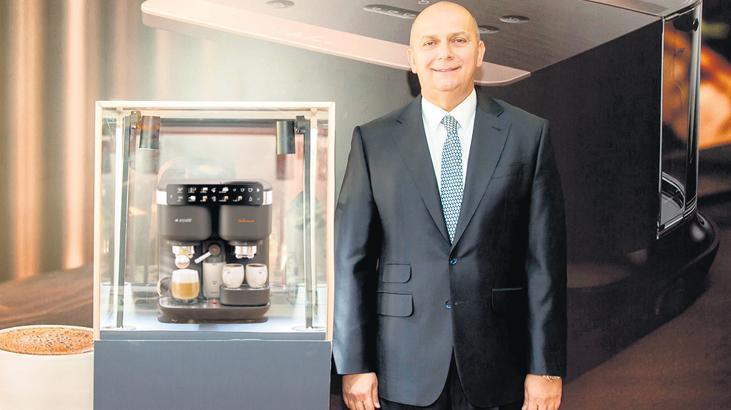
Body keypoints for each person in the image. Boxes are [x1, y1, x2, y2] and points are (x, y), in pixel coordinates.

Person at [333, 2, 566, 409]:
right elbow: (351, 261)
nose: (444, 53)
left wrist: (545, 367)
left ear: (479, 52)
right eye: (430, 43)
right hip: (401, 365)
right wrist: (353, 363)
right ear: (411, 59)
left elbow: (545, 262)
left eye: (458, 40)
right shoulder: (373, 141)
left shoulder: (528, 135)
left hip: (500, 364)